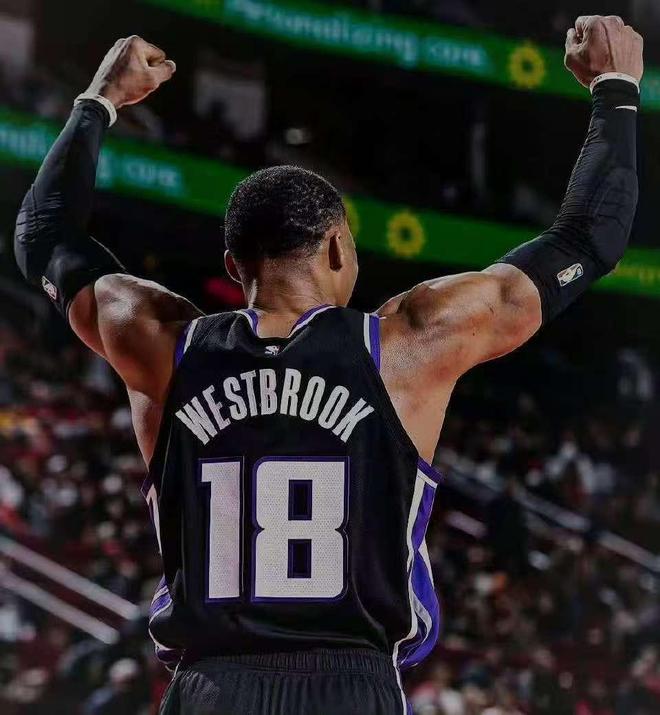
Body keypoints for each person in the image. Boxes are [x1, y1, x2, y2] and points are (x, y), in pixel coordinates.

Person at [13, 15, 643, 715]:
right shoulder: (407, 344)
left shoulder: (161, 342)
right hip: (351, 683)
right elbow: (589, 238)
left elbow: (44, 235)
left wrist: (99, 100)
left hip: (212, 686)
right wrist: (615, 90)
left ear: (234, 266)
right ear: (339, 248)